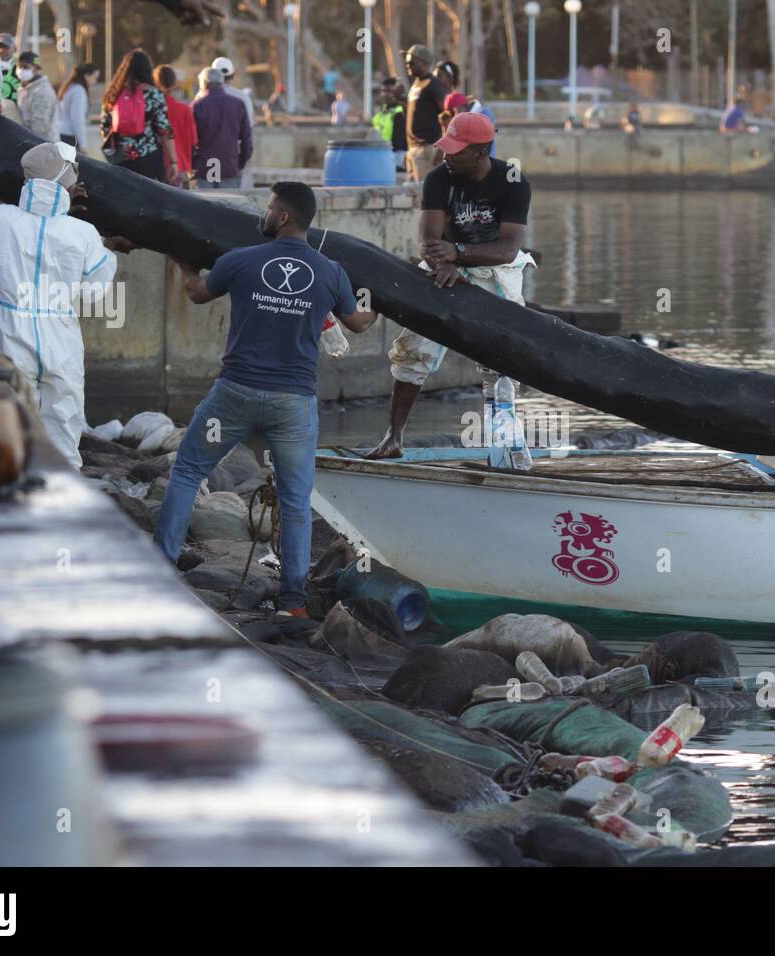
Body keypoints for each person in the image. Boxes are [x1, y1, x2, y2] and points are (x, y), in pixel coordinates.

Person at [160, 182, 378, 620]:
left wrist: (183, 265)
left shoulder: (239, 261)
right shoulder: (330, 271)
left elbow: (198, 293)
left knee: (186, 472)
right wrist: (380, 301)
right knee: (296, 502)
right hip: (292, 404)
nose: (264, 212)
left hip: (235, 394)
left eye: (270, 207)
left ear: (282, 217)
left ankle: (160, 570)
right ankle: (293, 602)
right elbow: (358, 323)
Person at [367, 112, 535, 460]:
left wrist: (459, 253)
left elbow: (507, 249)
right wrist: (447, 265)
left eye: (455, 151)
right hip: (446, 264)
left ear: (479, 153)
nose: (446, 156)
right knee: (413, 346)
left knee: (503, 356)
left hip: (496, 271)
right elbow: (428, 241)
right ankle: (393, 436)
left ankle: (502, 443)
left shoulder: (513, 181)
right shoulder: (438, 179)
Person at [0, 142, 128, 469]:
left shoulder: (1, 218)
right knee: (63, 414)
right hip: (60, 335)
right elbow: (92, 293)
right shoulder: (84, 233)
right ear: (68, 185)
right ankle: (64, 490)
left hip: (11, 328)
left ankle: (14, 486)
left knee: (13, 414)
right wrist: (107, 250)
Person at [101, 49, 179, 184]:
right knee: (151, 202)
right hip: (149, 158)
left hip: (120, 159)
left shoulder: (113, 94)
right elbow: (165, 130)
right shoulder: (154, 94)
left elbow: (104, 128)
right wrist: (173, 162)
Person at [192, 66, 251, 189]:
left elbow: (190, 141)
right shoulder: (238, 104)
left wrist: (193, 165)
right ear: (221, 82)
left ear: (204, 83)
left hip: (205, 168)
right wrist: (239, 164)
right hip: (229, 167)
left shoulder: (197, 106)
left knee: (205, 206)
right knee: (228, 206)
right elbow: (247, 141)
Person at [403, 43, 446, 181]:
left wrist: (442, 148)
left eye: (411, 62)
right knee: (415, 198)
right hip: (412, 149)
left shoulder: (434, 84)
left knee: (426, 196)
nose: (407, 65)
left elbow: (448, 115)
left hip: (427, 149)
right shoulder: (415, 84)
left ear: (423, 62)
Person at [155, 64, 197, 188]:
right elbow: (193, 142)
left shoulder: (150, 108)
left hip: (155, 167)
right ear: (174, 84)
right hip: (180, 167)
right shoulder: (184, 110)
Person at [16, 51, 59, 142]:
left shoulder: (42, 91)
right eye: (20, 66)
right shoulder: (24, 88)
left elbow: (40, 128)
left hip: (42, 144)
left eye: (26, 67)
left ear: (36, 69)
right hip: (30, 140)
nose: (22, 70)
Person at [58, 63, 101, 150]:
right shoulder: (79, 91)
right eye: (94, 78)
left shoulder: (69, 87)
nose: (95, 82)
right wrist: (83, 145)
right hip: (69, 136)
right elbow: (77, 119)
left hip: (61, 133)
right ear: (86, 76)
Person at [210, 56, 255, 129]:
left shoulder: (202, 99)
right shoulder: (244, 98)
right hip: (236, 140)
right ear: (232, 75)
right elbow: (249, 129)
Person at [0, 32, 18, 105]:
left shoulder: (22, 66)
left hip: (16, 111)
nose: (1, 50)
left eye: (5, 47)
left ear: (14, 48)